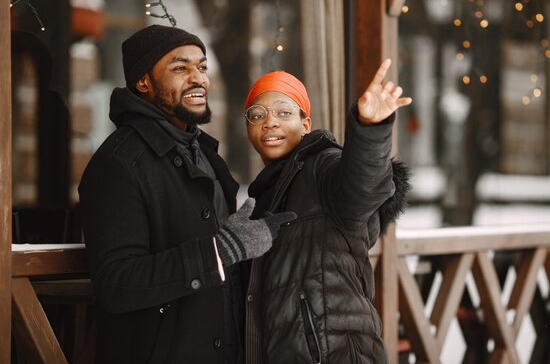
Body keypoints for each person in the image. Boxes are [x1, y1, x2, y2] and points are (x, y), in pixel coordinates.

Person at [79, 24, 294, 364]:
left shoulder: (206, 154)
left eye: (202, 67)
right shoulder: (118, 164)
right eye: (181, 68)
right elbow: (116, 284)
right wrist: (219, 252)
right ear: (143, 82)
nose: (199, 78)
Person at [243, 59, 412, 364]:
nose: (270, 122)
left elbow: (362, 188)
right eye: (258, 115)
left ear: (305, 124)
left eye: (284, 112)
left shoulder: (323, 165)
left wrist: (370, 129)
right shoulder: (261, 197)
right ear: (248, 128)